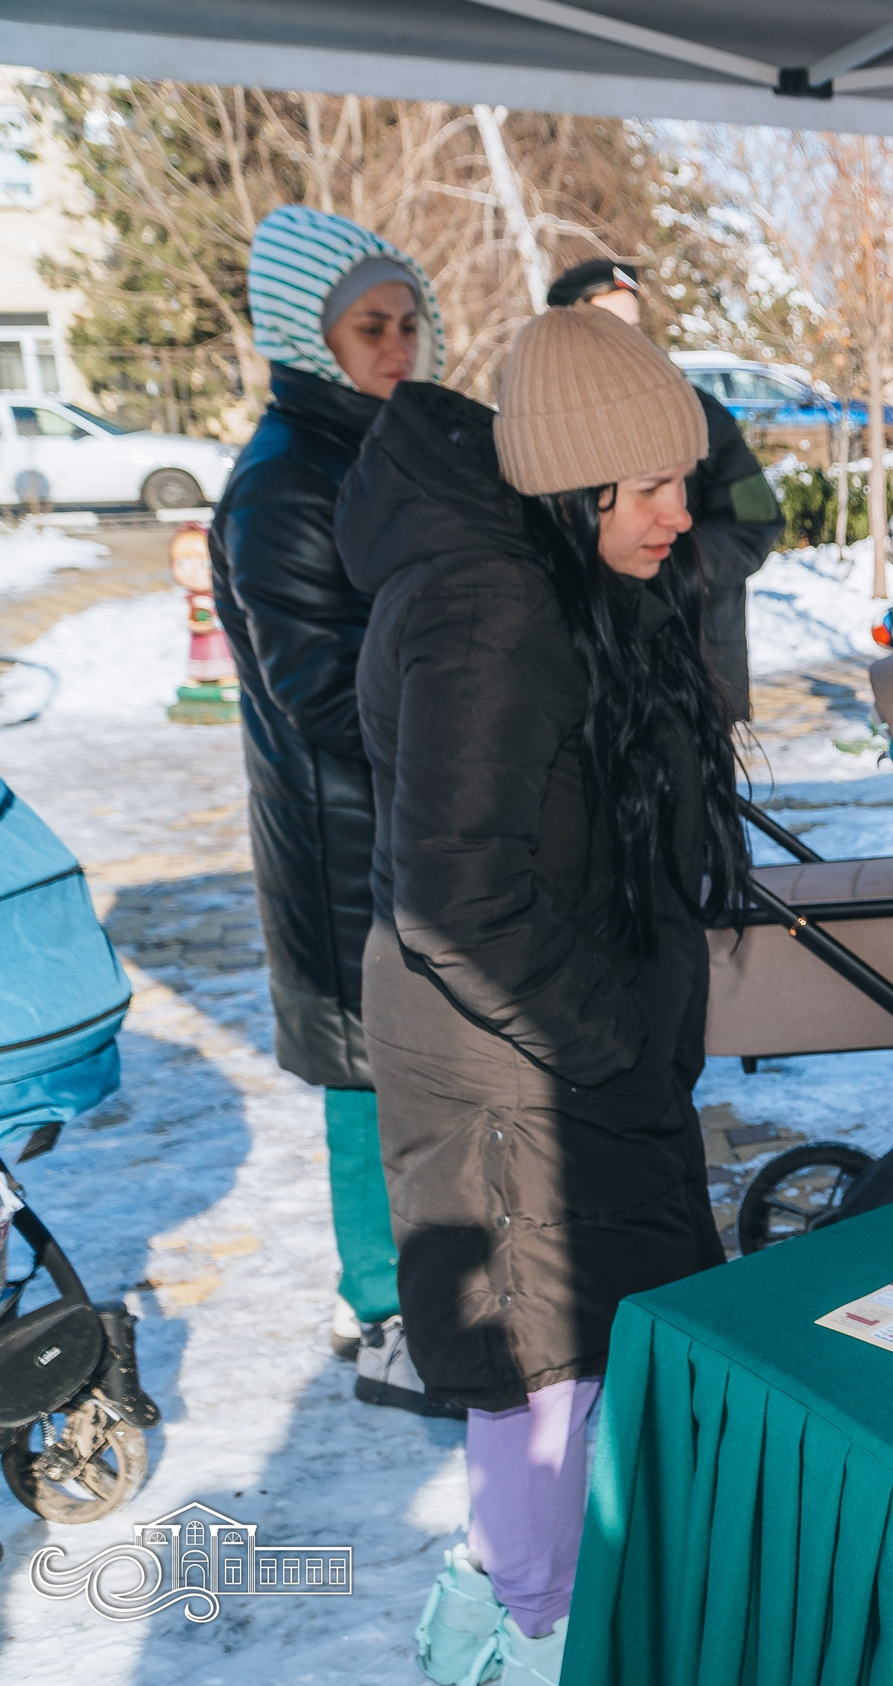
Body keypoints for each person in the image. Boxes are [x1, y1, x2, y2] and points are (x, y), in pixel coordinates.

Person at [336, 306, 742, 1683]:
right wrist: (614, 1037)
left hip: (553, 1045)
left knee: (581, 1368)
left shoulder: (557, 581)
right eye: (650, 486)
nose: (678, 513)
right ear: (571, 486)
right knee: (541, 1378)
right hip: (513, 1068)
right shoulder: (490, 607)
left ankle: (519, 1624)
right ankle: (533, 1642)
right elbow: (456, 894)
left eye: (683, 480)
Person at [209, 205, 455, 1417]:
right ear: (309, 335)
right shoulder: (284, 487)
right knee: (368, 1093)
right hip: (340, 852)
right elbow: (323, 694)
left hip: (404, 835)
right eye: (370, 327)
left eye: (409, 322)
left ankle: (426, 1297)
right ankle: (385, 1321)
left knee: (416, 1083)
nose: (397, 346)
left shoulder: (381, 451)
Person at [546, 257, 780, 718]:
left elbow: (757, 522)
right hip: (589, 675)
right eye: (608, 326)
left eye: (632, 327)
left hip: (696, 666)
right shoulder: (546, 426)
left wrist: (671, 557)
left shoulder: (699, 414)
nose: (627, 341)